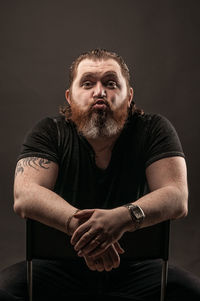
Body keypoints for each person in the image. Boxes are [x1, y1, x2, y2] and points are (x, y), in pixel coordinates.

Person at [0, 48, 200, 301]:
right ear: (70, 97)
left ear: (129, 96)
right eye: (87, 83)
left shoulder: (154, 130)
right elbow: (25, 195)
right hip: (58, 267)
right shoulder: (49, 132)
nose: (99, 91)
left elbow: (176, 196)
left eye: (111, 83)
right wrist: (87, 231)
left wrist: (121, 218)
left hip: (137, 268)